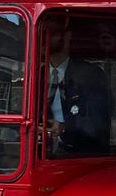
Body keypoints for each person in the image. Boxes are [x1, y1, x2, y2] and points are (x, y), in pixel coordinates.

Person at [44, 16, 112, 157]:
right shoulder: (37, 74)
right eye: (41, 32)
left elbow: (98, 124)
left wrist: (64, 128)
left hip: (80, 156)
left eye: (50, 32)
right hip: (43, 155)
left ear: (67, 36)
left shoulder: (91, 75)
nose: (43, 38)